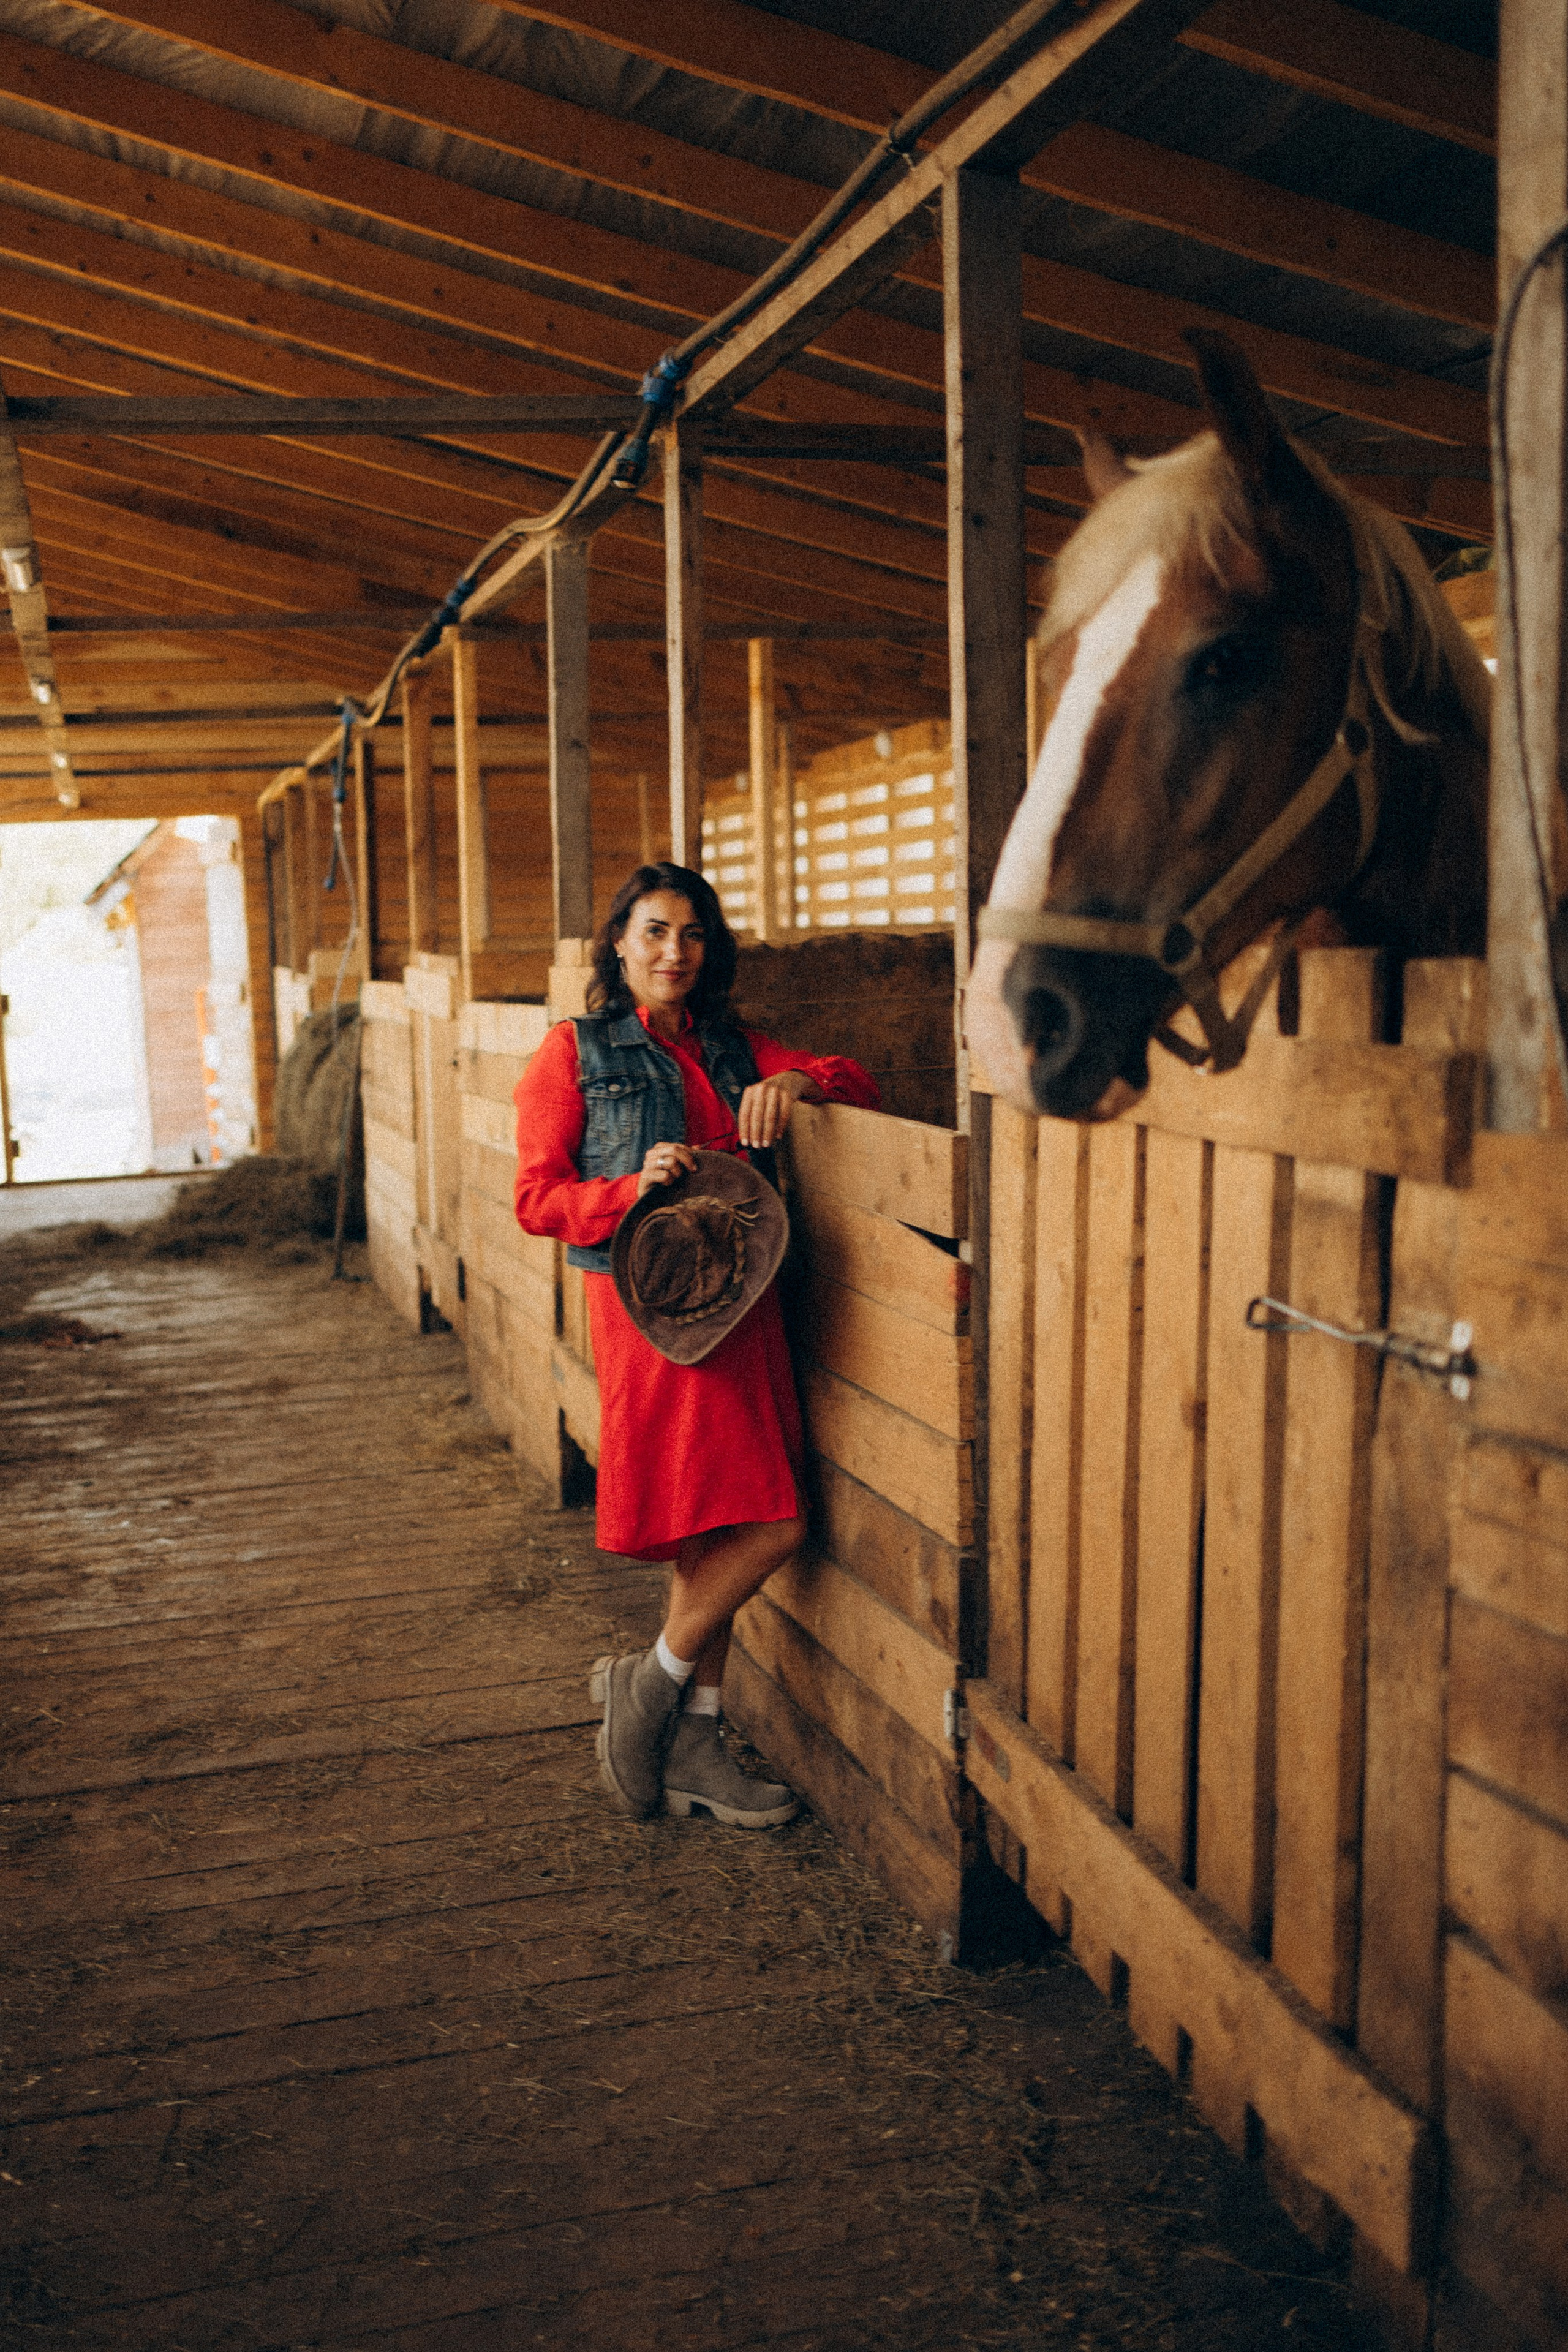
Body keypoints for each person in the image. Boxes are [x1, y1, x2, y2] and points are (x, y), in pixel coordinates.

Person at [513, 863, 880, 1828]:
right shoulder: (575, 1053)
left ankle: (694, 1742)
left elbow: (860, 1081)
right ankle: (652, 1679)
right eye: (655, 933)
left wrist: (797, 1081)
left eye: (693, 935)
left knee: (720, 1527)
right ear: (620, 946)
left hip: (747, 1313)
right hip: (654, 1325)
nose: (675, 953)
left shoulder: (732, 1050)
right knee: (775, 1524)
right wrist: (629, 1188)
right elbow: (534, 1199)